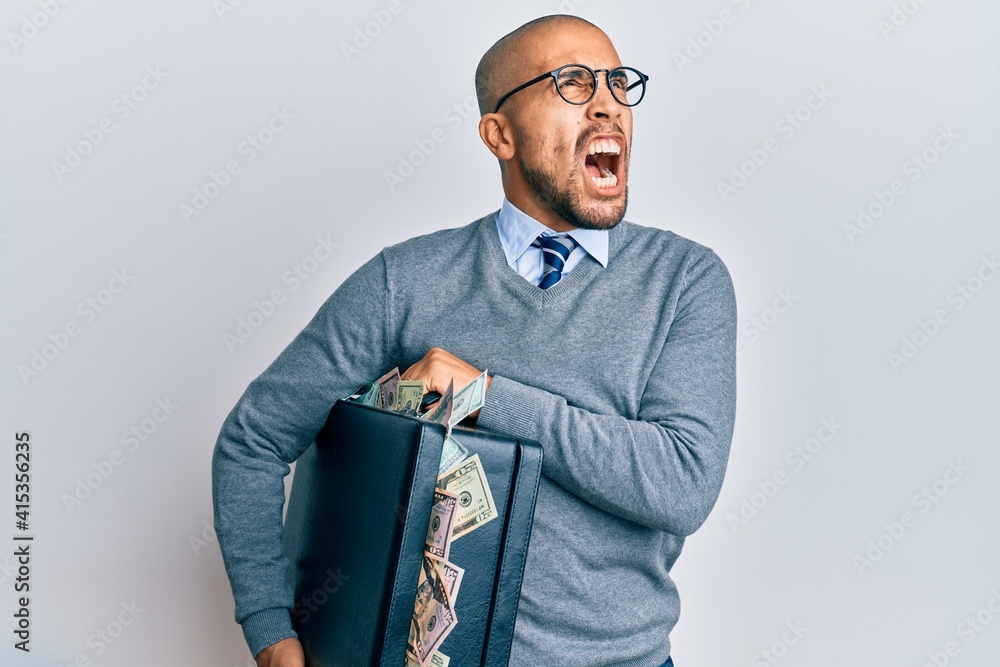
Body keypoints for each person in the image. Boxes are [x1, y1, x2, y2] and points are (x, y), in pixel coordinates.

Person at [212, 14, 736, 667]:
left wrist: (484, 394)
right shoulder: (402, 282)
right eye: (572, 83)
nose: (608, 104)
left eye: (618, 83)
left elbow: (681, 482)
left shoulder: (685, 281)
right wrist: (272, 634)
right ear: (500, 134)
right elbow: (254, 442)